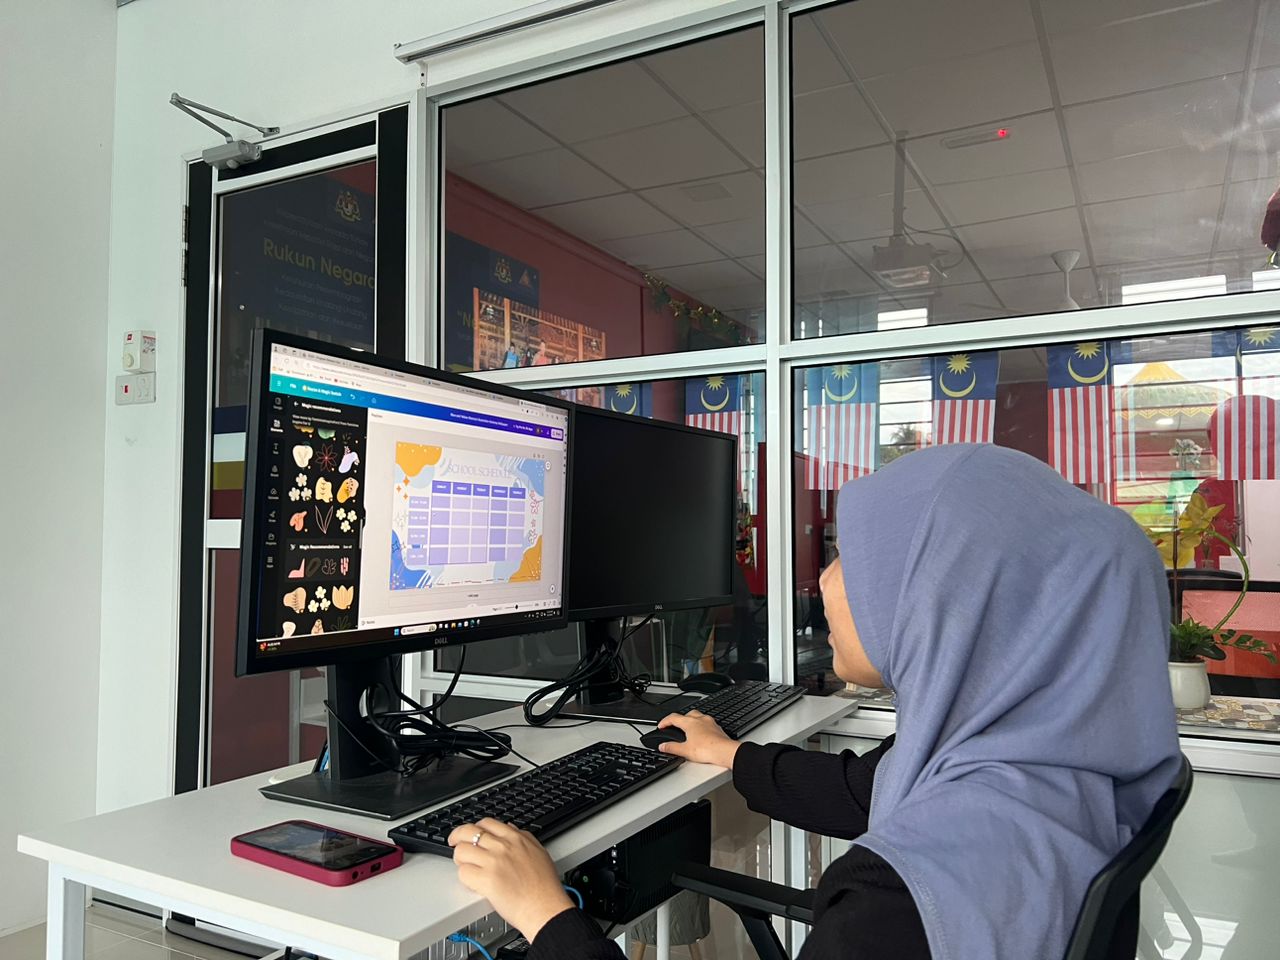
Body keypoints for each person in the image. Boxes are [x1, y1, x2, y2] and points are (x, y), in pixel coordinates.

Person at [447, 445, 1181, 960]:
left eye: (856, 559)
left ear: (951, 604)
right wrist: (732, 754)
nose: (824, 580)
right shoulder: (1049, 777)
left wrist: (548, 918)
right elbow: (870, 786)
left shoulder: (896, 907)